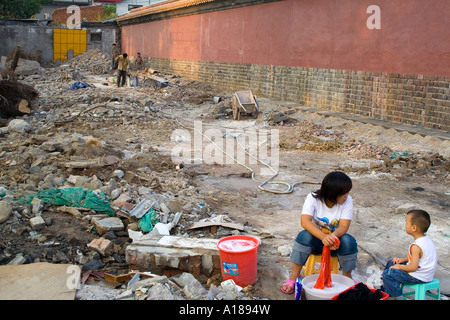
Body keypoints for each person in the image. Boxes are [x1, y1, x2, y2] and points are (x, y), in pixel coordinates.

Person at [281, 171, 358, 294]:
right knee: (303, 236)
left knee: (349, 241)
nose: (347, 196)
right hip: (316, 242)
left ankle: (347, 279)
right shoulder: (313, 198)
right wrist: (323, 237)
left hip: (335, 244)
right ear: (333, 193)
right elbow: (305, 221)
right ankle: (293, 278)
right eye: (344, 193)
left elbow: (344, 226)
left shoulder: (347, 200)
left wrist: (332, 237)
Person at [381, 209, 437, 300]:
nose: (405, 225)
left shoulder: (416, 246)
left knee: (388, 274)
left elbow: (413, 268)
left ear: (414, 228)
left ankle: (395, 296)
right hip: (425, 274)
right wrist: (403, 260)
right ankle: (387, 290)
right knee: (392, 262)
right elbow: (420, 257)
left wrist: (399, 267)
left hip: (418, 276)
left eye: (407, 223)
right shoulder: (426, 240)